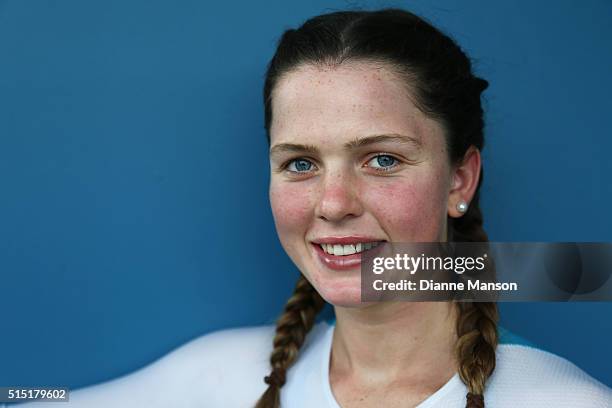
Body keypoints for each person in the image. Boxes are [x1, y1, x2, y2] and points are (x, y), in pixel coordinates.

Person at [13, 7, 612, 408]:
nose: (332, 204)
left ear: (461, 179)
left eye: (381, 159)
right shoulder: (217, 377)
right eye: (300, 163)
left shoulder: (561, 400)